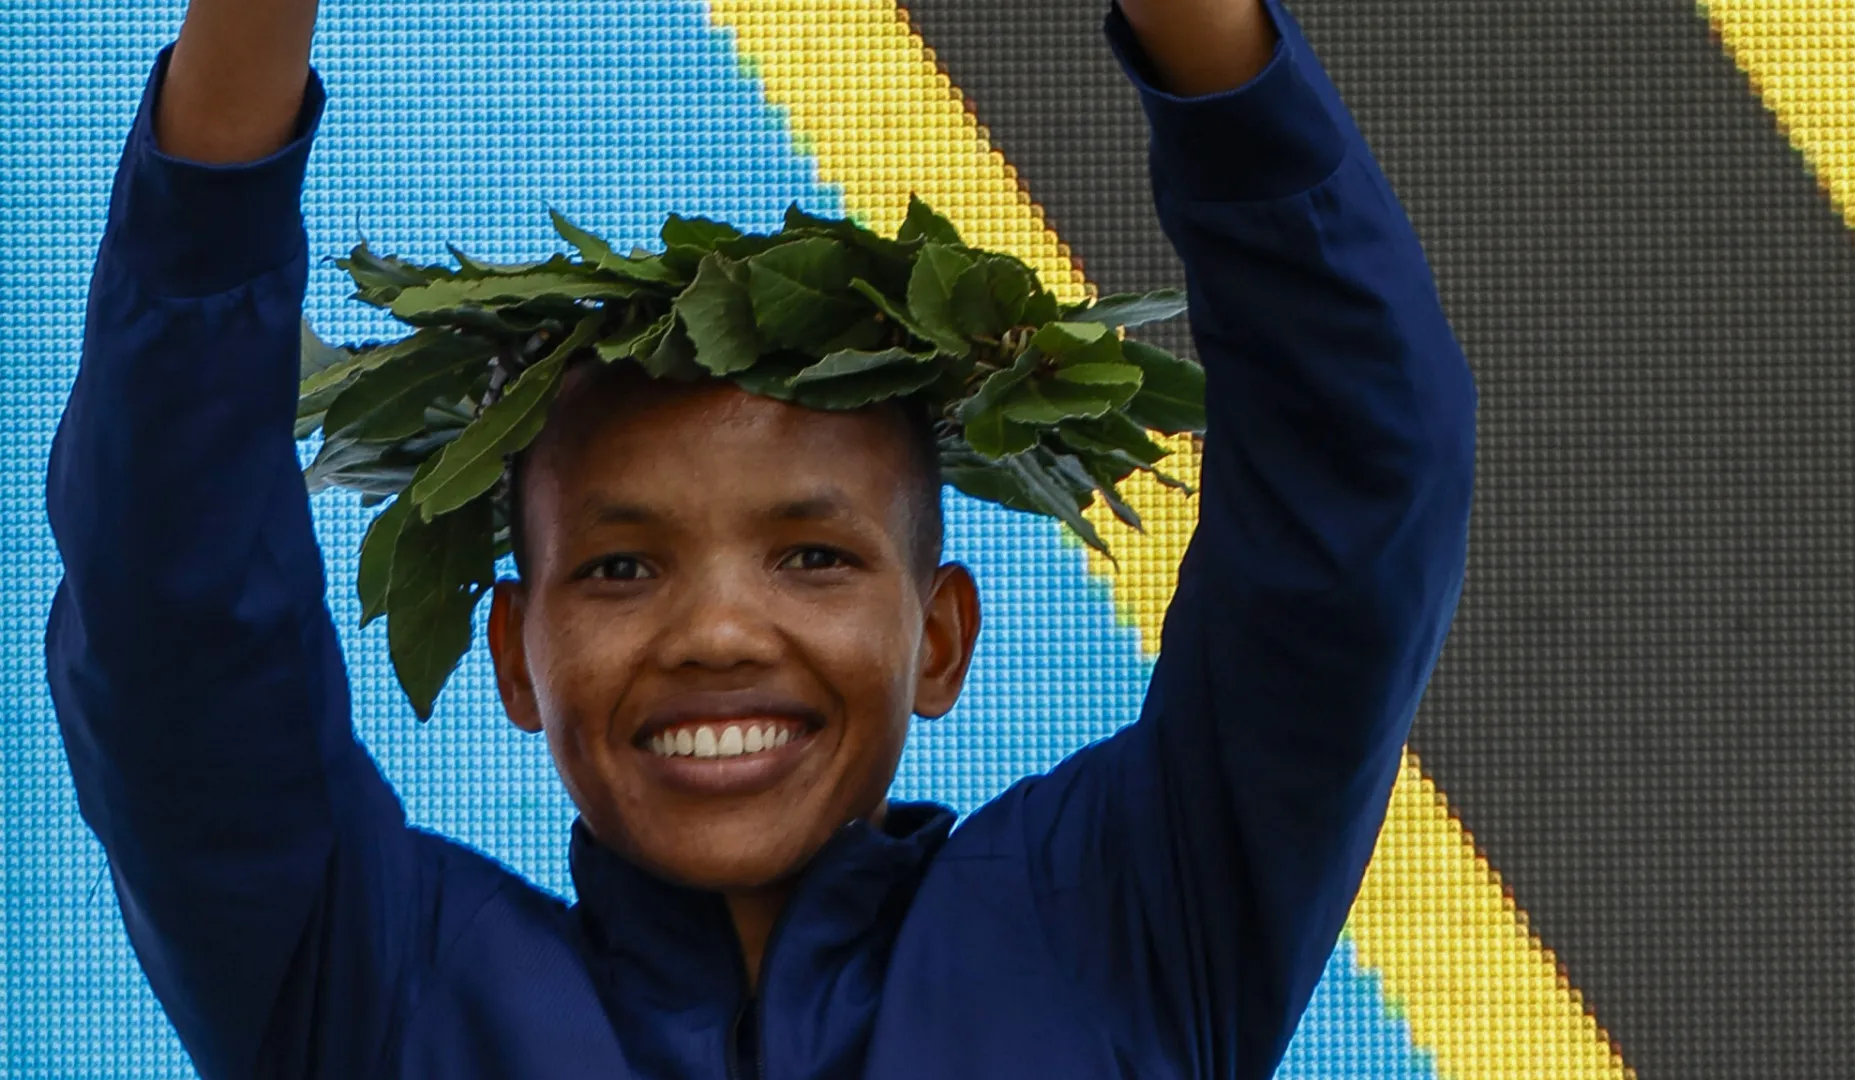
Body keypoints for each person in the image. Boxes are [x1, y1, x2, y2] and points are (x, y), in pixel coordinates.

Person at [43, 0, 1476, 1073]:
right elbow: (176, 624)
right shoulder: (377, 997)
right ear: (515, 655)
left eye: (814, 554)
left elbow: (1354, 498)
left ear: (941, 635)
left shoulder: (1124, 928)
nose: (720, 630)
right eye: (618, 566)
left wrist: (1207, 30)